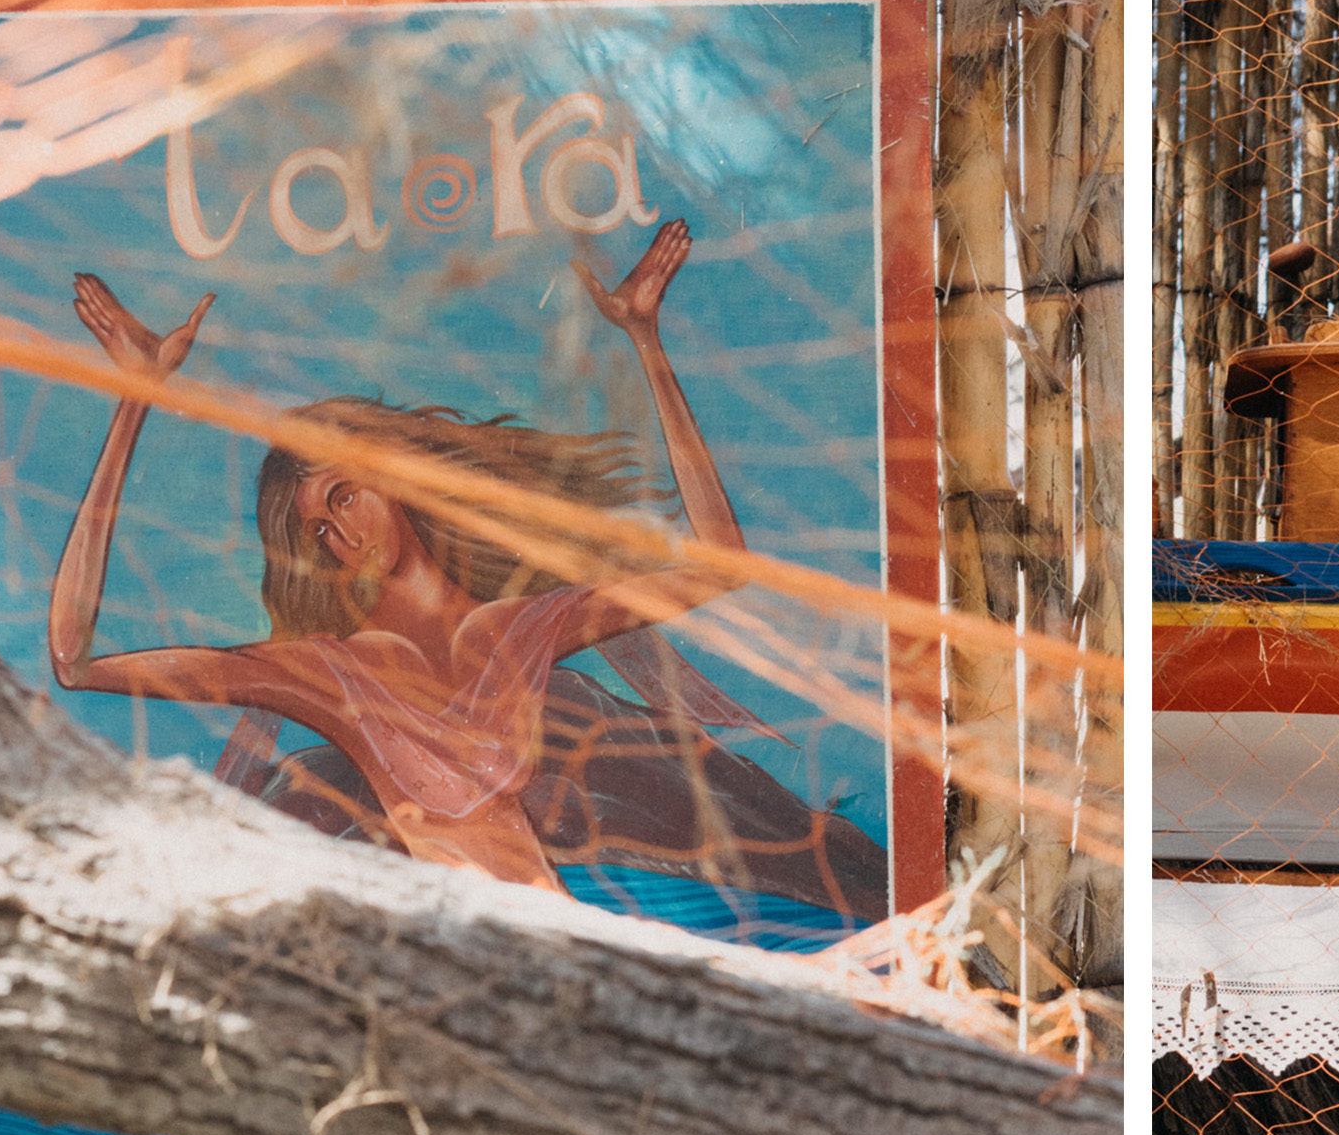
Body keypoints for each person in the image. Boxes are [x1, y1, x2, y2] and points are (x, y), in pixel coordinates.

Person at [48, 221, 877, 922]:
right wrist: (133, 399)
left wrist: (646, 339)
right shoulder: (328, 676)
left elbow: (719, 564)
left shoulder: (523, 629)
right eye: (321, 527)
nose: (343, 532)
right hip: (450, 977)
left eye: (346, 495)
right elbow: (75, 661)